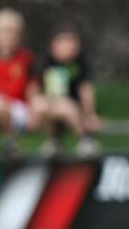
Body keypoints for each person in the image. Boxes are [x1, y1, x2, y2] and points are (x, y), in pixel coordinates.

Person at [0, 8, 41, 159]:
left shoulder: (25, 58)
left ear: (19, 36)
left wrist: (34, 107)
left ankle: (10, 142)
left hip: (19, 108)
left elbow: (32, 86)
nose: (7, 37)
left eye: (12, 33)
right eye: (3, 33)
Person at [37, 25, 102, 158]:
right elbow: (43, 90)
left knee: (67, 107)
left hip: (74, 109)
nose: (69, 47)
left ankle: (85, 140)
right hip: (54, 106)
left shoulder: (80, 63)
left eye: (72, 43)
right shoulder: (48, 62)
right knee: (48, 106)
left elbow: (86, 90)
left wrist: (90, 114)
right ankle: (54, 141)